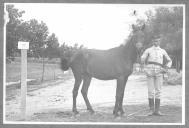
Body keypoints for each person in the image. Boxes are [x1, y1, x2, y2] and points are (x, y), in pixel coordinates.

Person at [141, 35, 172, 116]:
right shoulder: (148, 50)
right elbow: (142, 59)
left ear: (160, 41)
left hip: (159, 72)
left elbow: (169, 60)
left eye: (157, 41)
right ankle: (151, 110)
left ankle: (157, 111)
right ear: (152, 41)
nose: (156, 42)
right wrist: (145, 69)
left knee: (158, 91)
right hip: (150, 72)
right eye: (155, 41)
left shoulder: (163, 51)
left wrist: (166, 68)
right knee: (150, 91)